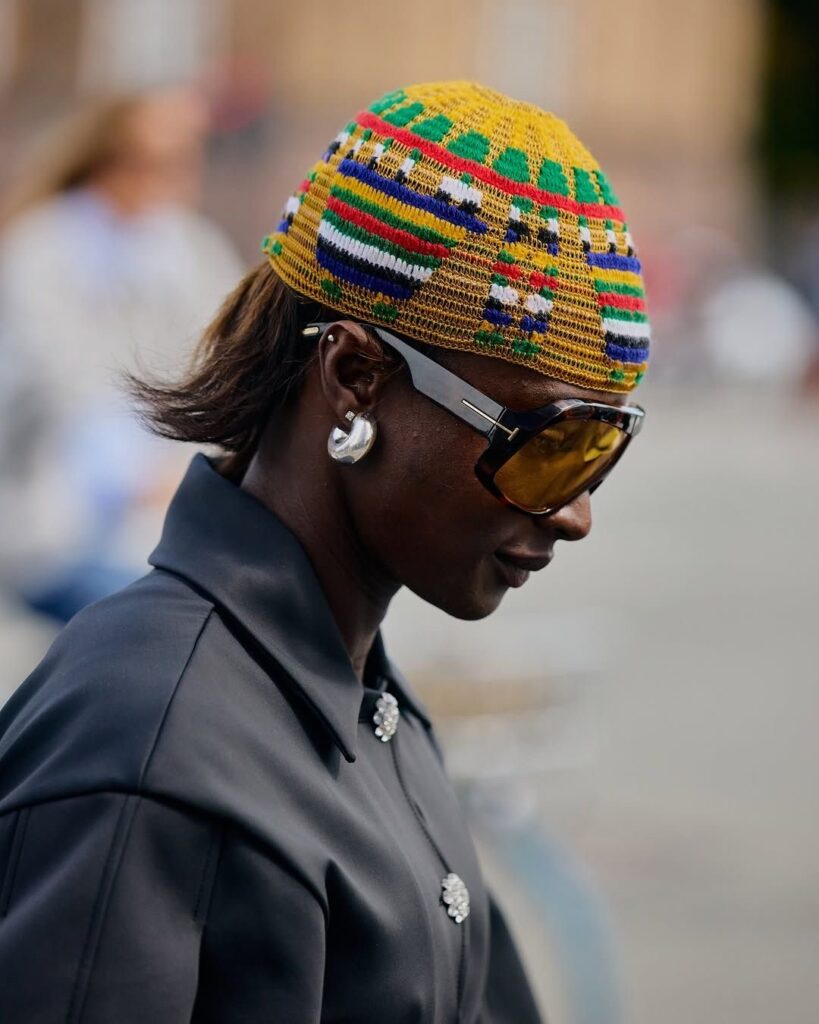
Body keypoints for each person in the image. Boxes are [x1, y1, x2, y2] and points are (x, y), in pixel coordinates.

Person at [0, 81, 649, 1022]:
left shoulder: (361, 700)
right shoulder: (147, 746)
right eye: (549, 443)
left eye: (601, 449)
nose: (575, 513)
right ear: (354, 378)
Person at [0, 88, 243, 621]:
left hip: (167, 502)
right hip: (57, 514)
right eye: (149, 163)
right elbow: (55, 385)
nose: (165, 181)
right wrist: (135, 472)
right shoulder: (42, 248)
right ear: (106, 161)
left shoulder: (193, 250)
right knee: (149, 613)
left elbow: (220, 370)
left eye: (181, 164)